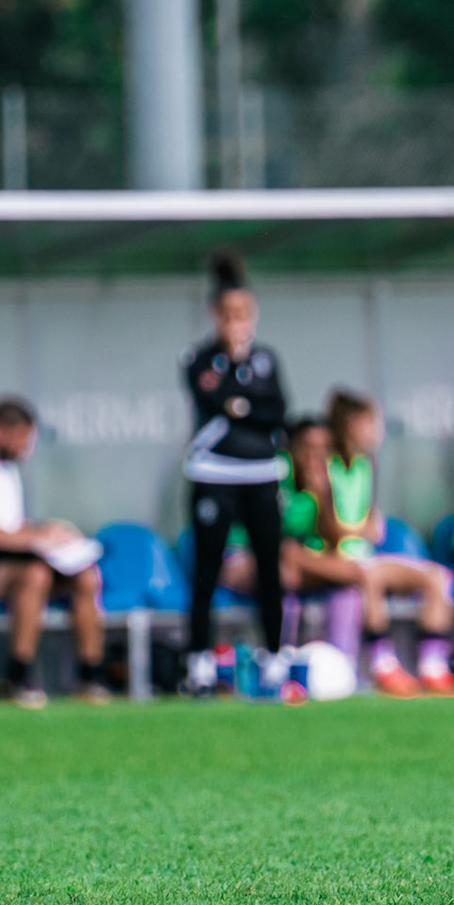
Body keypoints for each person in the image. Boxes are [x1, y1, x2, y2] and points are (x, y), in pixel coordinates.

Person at [0, 395, 106, 709]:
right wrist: (36, 539)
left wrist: (50, 532)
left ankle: (90, 676)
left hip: (14, 559)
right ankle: (17, 677)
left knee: (85, 577)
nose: (26, 448)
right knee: (35, 575)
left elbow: (10, 526)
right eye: (22, 439)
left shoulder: (8, 472)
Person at [182, 251, 288, 659]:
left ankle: (275, 657)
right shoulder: (199, 359)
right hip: (214, 474)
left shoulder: (266, 359)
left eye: (243, 313)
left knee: (269, 570)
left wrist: (242, 403)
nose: (236, 322)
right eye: (228, 314)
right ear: (214, 315)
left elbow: (275, 412)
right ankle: (200, 661)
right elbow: (215, 400)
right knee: (206, 570)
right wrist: (243, 401)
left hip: (261, 474)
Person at [322, 390, 454, 697]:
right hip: (336, 560)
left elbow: (372, 523)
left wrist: (360, 529)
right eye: (371, 423)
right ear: (353, 424)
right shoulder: (325, 463)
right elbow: (330, 526)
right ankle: (382, 663)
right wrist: (358, 530)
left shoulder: (364, 464)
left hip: (364, 555)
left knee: (437, 577)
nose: (377, 431)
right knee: (368, 576)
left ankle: (433, 665)